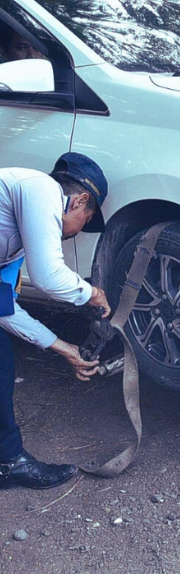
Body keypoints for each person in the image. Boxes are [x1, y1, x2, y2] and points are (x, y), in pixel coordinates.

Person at [1, 153, 111, 490]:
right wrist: (91, 292)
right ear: (79, 200)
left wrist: (66, 349)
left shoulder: (13, 240)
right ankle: (10, 460)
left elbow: (4, 310)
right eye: (85, 221)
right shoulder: (40, 187)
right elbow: (48, 276)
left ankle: (8, 460)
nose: (75, 234)